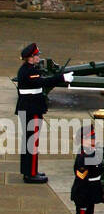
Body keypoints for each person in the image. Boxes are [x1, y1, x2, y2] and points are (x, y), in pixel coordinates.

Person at [16, 43, 60, 184]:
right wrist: (62, 78)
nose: (38, 57)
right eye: (36, 55)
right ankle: (31, 174)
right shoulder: (29, 71)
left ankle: (29, 171)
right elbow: (43, 82)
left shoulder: (28, 69)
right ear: (31, 57)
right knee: (32, 142)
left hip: (30, 108)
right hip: (31, 109)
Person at [71, 126, 104, 214]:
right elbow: (83, 179)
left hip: (91, 195)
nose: (93, 140)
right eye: (90, 138)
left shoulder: (92, 153)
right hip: (84, 196)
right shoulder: (83, 157)